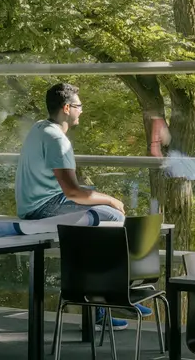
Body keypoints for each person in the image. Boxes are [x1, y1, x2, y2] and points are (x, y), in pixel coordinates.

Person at [15, 81, 138, 330]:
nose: (82, 110)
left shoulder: (40, 127)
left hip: (43, 202)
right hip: (42, 210)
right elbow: (72, 192)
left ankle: (107, 299)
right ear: (67, 108)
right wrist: (111, 199)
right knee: (113, 216)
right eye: (79, 106)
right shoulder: (57, 140)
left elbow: (66, 187)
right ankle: (108, 301)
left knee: (98, 217)